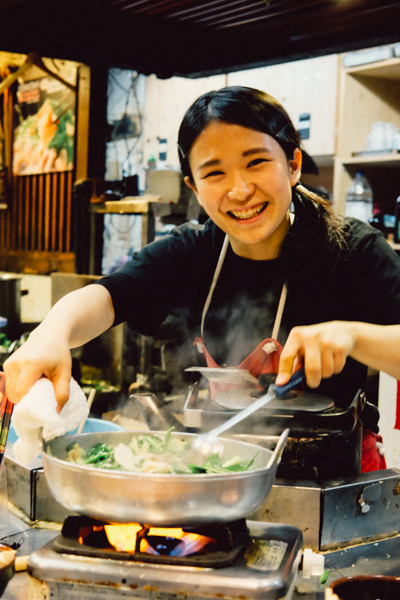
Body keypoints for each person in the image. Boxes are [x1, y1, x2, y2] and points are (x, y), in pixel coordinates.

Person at [5, 86, 400, 471]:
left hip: (337, 478)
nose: (240, 190)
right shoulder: (191, 251)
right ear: (193, 185)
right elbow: (109, 297)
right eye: (214, 173)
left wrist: (354, 336)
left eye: (256, 162)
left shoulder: (355, 251)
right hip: (221, 470)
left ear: (293, 164)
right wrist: (51, 333)